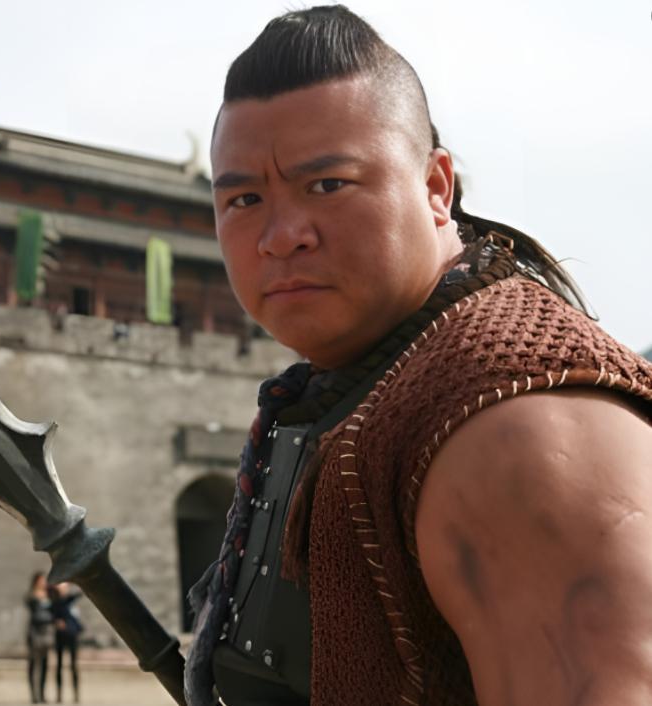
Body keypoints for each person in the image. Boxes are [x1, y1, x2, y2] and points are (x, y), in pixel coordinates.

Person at [185, 6, 652, 706]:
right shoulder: (357, 387)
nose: (280, 236)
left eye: (327, 185)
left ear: (436, 187)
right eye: (245, 199)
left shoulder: (518, 426)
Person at [49, 582, 84, 703]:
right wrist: (56, 622)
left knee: (73, 665)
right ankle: (59, 694)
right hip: (60, 636)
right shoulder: (54, 602)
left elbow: (79, 593)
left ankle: (76, 694)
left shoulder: (69, 601)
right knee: (59, 665)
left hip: (71, 635)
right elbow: (51, 615)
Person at [25, 571, 54, 704]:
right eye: (41, 580)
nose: (43, 583)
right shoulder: (31, 597)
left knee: (44, 664)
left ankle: (42, 694)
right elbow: (33, 610)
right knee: (33, 663)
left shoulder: (50, 595)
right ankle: (34, 695)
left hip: (47, 633)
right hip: (35, 632)